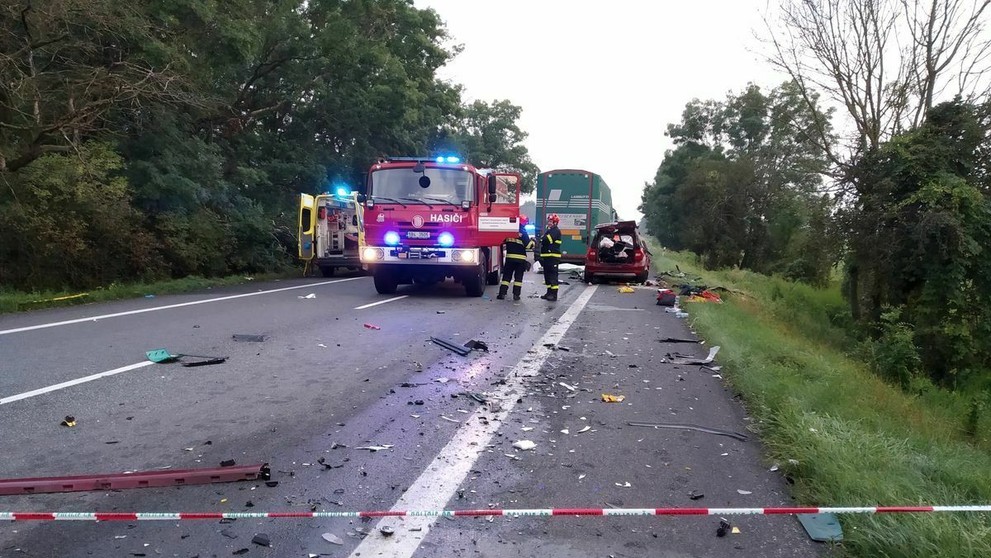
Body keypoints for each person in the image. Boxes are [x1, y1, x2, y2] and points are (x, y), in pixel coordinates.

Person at [497, 216, 532, 301]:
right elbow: (528, 246)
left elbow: (502, 241)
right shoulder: (523, 232)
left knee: (506, 277)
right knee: (518, 279)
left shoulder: (509, 231)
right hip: (520, 260)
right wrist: (533, 242)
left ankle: (502, 294)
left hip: (510, 258)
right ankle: (516, 295)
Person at [539, 213, 562, 301]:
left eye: (551, 221)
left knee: (553, 276)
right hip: (547, 257)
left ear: (555, 223)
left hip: (553, 257)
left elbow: (546, 240)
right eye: (548, 221)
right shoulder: (549, 231)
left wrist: (542, 238)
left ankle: (554, 295)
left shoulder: (555, 231)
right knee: (547, 276)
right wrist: (542, 238)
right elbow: (543, 239)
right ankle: (549, 293)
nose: (549, 223)